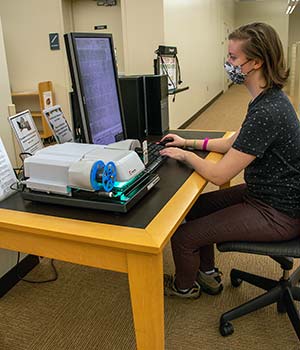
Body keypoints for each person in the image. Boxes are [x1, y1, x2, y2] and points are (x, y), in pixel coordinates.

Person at [160, 22, 300, 299]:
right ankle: (208, 272)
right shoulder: (268, 99)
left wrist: (185, 156)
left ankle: (184, 287)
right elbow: (233, 142)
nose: (227, 62)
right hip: (266, 194)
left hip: (278, 213)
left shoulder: (267, 112)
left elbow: (220, 176)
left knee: (183, 237)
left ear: (256, 62)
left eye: (233, 57)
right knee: (196, 208)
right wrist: (187, 141)